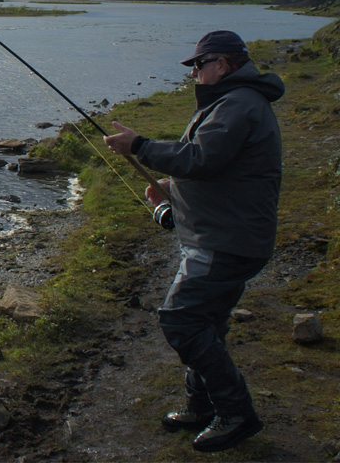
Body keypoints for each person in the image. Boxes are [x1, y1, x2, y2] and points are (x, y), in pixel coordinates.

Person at [103, 30, 284, 453]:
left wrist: (141, 146)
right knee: (208, 324)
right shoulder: (234, 101)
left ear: (221, 64)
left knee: (181, 320)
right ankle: (201, 406)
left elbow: (201, 159)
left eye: (198, 66)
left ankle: (236, 413)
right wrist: (172, 189)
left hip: (228, 240)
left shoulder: (238, 104)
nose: (194, 74)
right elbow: (216, 167)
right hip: (225, 233)